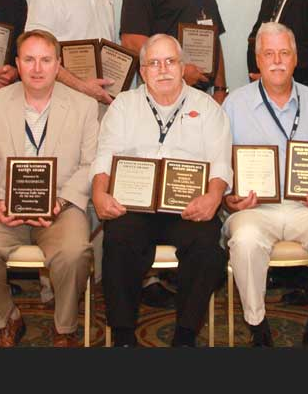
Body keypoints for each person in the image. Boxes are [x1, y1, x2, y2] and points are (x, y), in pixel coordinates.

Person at [90, 33, 231, 347]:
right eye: (154, 63)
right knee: (117, 239)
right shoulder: (123, 106)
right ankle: (123, 335)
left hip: (187, 206)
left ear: (183, 67)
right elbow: (105, 157)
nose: (163, 69)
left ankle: (185, 334)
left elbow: (221, 163)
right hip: (136, 206)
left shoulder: (207, 108)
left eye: (170, 61)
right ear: (142, 72)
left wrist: (213, 196)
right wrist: (99, 193)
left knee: (207, 245)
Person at [0, 29, 97, 348]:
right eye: (30, 60)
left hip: (61, 207)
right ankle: (6, 317)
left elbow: (90, 165)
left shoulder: (84, 106)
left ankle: (64, 328)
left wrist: (60, 203)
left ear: (58, 64)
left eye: (46, 60)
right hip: (4, 205)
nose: (37, 68)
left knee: (75, 252)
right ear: (17, 64)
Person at [222, 22, 308, 347]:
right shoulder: (233, 106)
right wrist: (228, 199)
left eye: (284, 53)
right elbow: (219, 167)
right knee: (246, 240)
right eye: (269, 53)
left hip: (306, 207)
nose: (277, 60)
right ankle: (257, 322)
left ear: (295, 58)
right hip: (254, 207)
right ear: (257, 60)